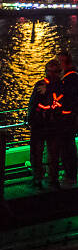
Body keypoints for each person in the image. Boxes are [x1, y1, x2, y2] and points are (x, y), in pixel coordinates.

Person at [27, 59, 63, 190]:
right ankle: (50, 178)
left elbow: (32, 103)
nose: (51, 74)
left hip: (42, 124)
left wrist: (29, 119)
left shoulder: (43, 85)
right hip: (49, 124)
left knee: (40, 152)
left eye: (53, 72)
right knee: (50, 152)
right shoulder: (60, 86)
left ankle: (39, 178)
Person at [58, 51, 78, 186]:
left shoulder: (68, 79)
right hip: (72, 117)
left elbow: (67, 99)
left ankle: (69, 175)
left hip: (67, 119)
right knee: (70, 146)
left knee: (67, 147)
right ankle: (70, 173)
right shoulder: (75, 77)